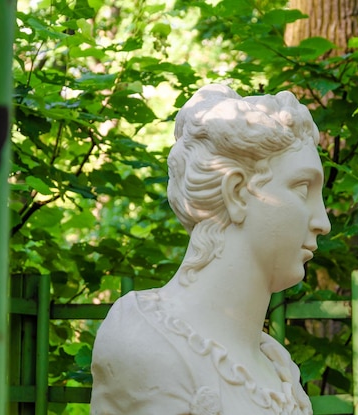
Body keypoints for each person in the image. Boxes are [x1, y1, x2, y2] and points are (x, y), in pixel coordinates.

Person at [90, 84, 331, 415]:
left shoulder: (275, 364)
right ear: (235, 193)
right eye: (302, 188)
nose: (322, 221)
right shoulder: (145, 336)